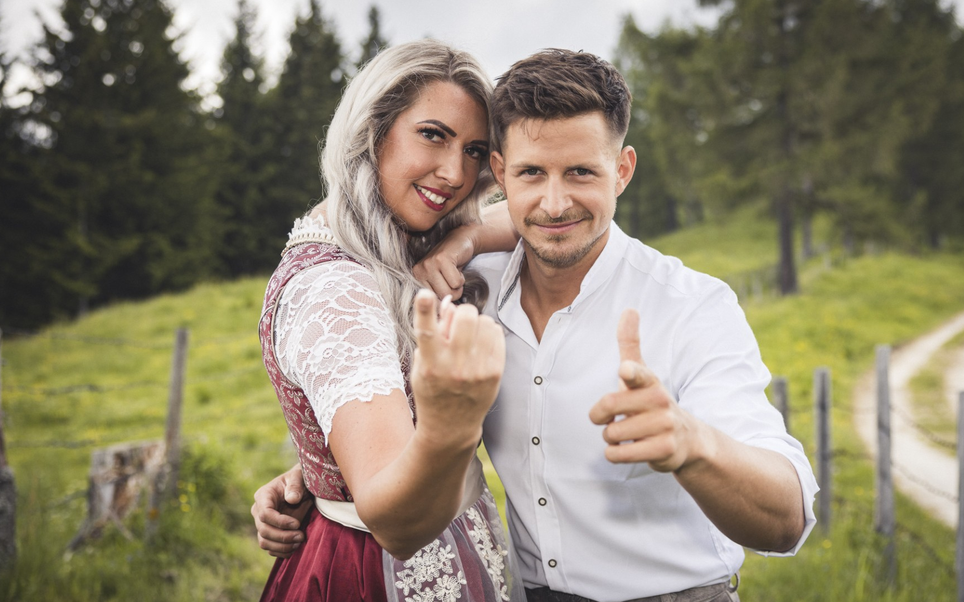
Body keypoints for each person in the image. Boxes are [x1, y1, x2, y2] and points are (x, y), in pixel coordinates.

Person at [256, 48, 819, 602]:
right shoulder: (467, 291)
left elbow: (787, 518)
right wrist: (318, 471)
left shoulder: (690, 307)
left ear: (621, 171)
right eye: (531, 173)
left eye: (580, 172)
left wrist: (693, 443)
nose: (554, 204)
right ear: (501, 175)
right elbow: (381, 409)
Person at [255, 39, 524, 602]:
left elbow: (539, 208)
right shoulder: (336, 288)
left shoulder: (385, 247)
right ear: (373, 130)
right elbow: (394, 522)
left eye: (475, 151)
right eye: (433, 134)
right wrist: (454, 418)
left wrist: (468, 235)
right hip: (374, 575)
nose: (455, 173)